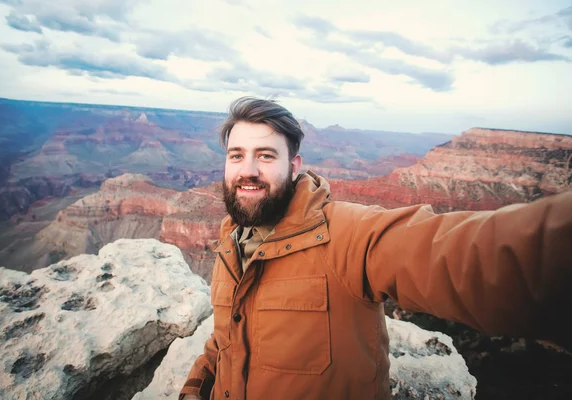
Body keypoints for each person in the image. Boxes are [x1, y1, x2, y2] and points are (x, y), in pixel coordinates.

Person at [179, 97, 572, 400]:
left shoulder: (351, 235)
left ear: (294, 165)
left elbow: (465, 256)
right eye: (237, 155)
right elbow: (226, 339)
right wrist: (193, 390)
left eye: (265, 156)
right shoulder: (231, 240)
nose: (248, 170)